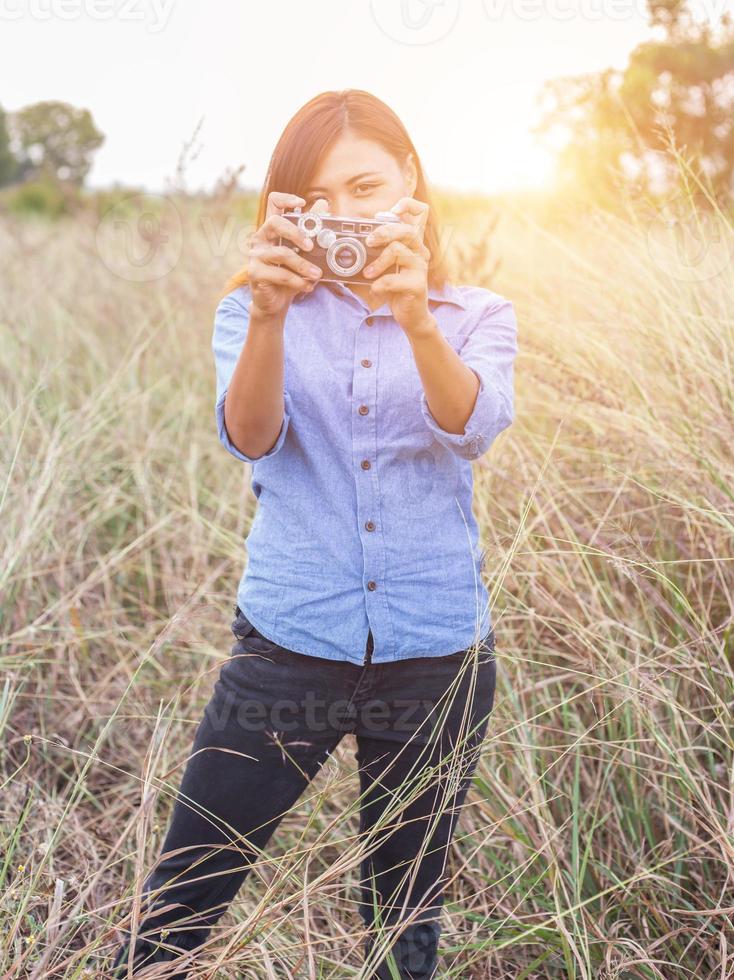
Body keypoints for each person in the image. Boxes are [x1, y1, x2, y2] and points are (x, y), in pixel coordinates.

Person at [109, 88, 517, 979]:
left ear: (410, 178)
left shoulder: (476, 313)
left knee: (405, 926)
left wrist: (413, 313)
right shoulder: (252, 311)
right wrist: (265, 312)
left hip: (437, 650)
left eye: (366, 188)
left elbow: (473, 427)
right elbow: (250, 437)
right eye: (318, 201)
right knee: (185, 893)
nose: (347, 218)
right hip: (290, 640)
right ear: (286, 211)